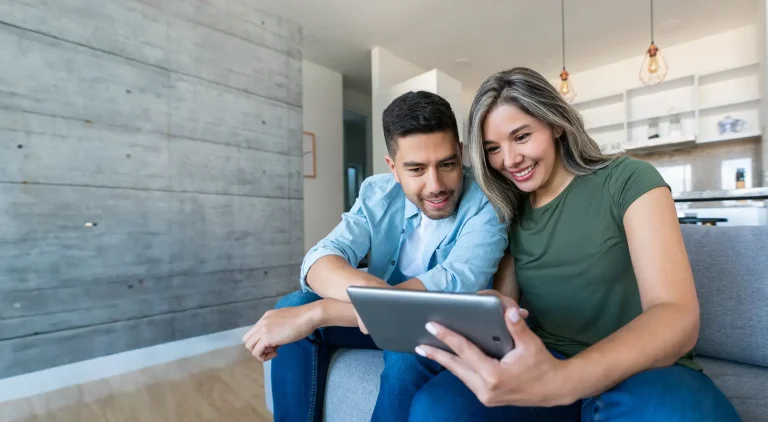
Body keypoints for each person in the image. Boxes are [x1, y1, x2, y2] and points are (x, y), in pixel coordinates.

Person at [413, 67, 741, 421]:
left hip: (645, 366)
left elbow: (677, 314)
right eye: (493, 149)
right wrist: (487, 308)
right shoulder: (511, 208)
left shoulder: (629, 179)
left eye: (521, 137)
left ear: (555, 124)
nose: (509, 160)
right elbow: (506, 303)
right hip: (549, 358)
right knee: (436, 408)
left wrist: (566, 380)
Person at [242, 90, 508, 421]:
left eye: (447, 164)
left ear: (461, 153)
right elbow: (322, 257)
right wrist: (376, 303)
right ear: (393, 167)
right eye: (415, 169)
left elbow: (455, 288)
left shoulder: (487, 201)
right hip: (376, 319)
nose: (435, 184)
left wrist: (322, 312)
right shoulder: (377, 192)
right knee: (291, 306)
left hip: (440, 328)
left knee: (406, 351)